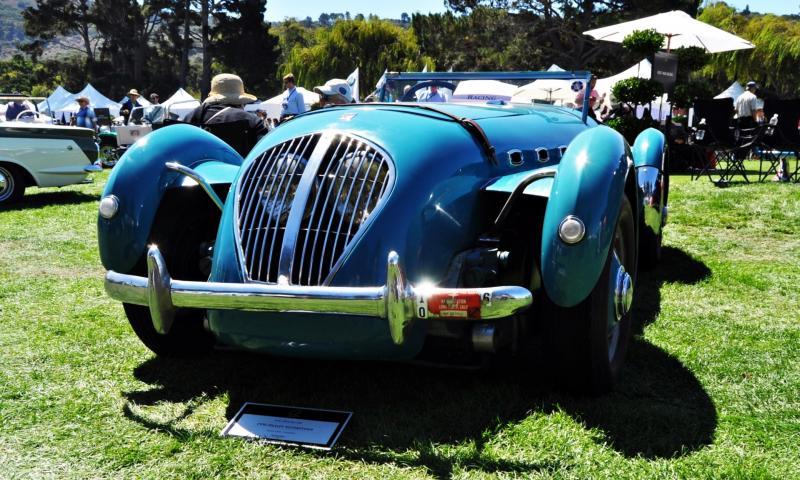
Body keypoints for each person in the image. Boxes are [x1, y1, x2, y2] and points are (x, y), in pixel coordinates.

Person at [185, 73, 268, 156]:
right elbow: (265, 155)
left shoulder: (192, 117)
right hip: (241, 168)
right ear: (241, 102)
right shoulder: (253, 121)